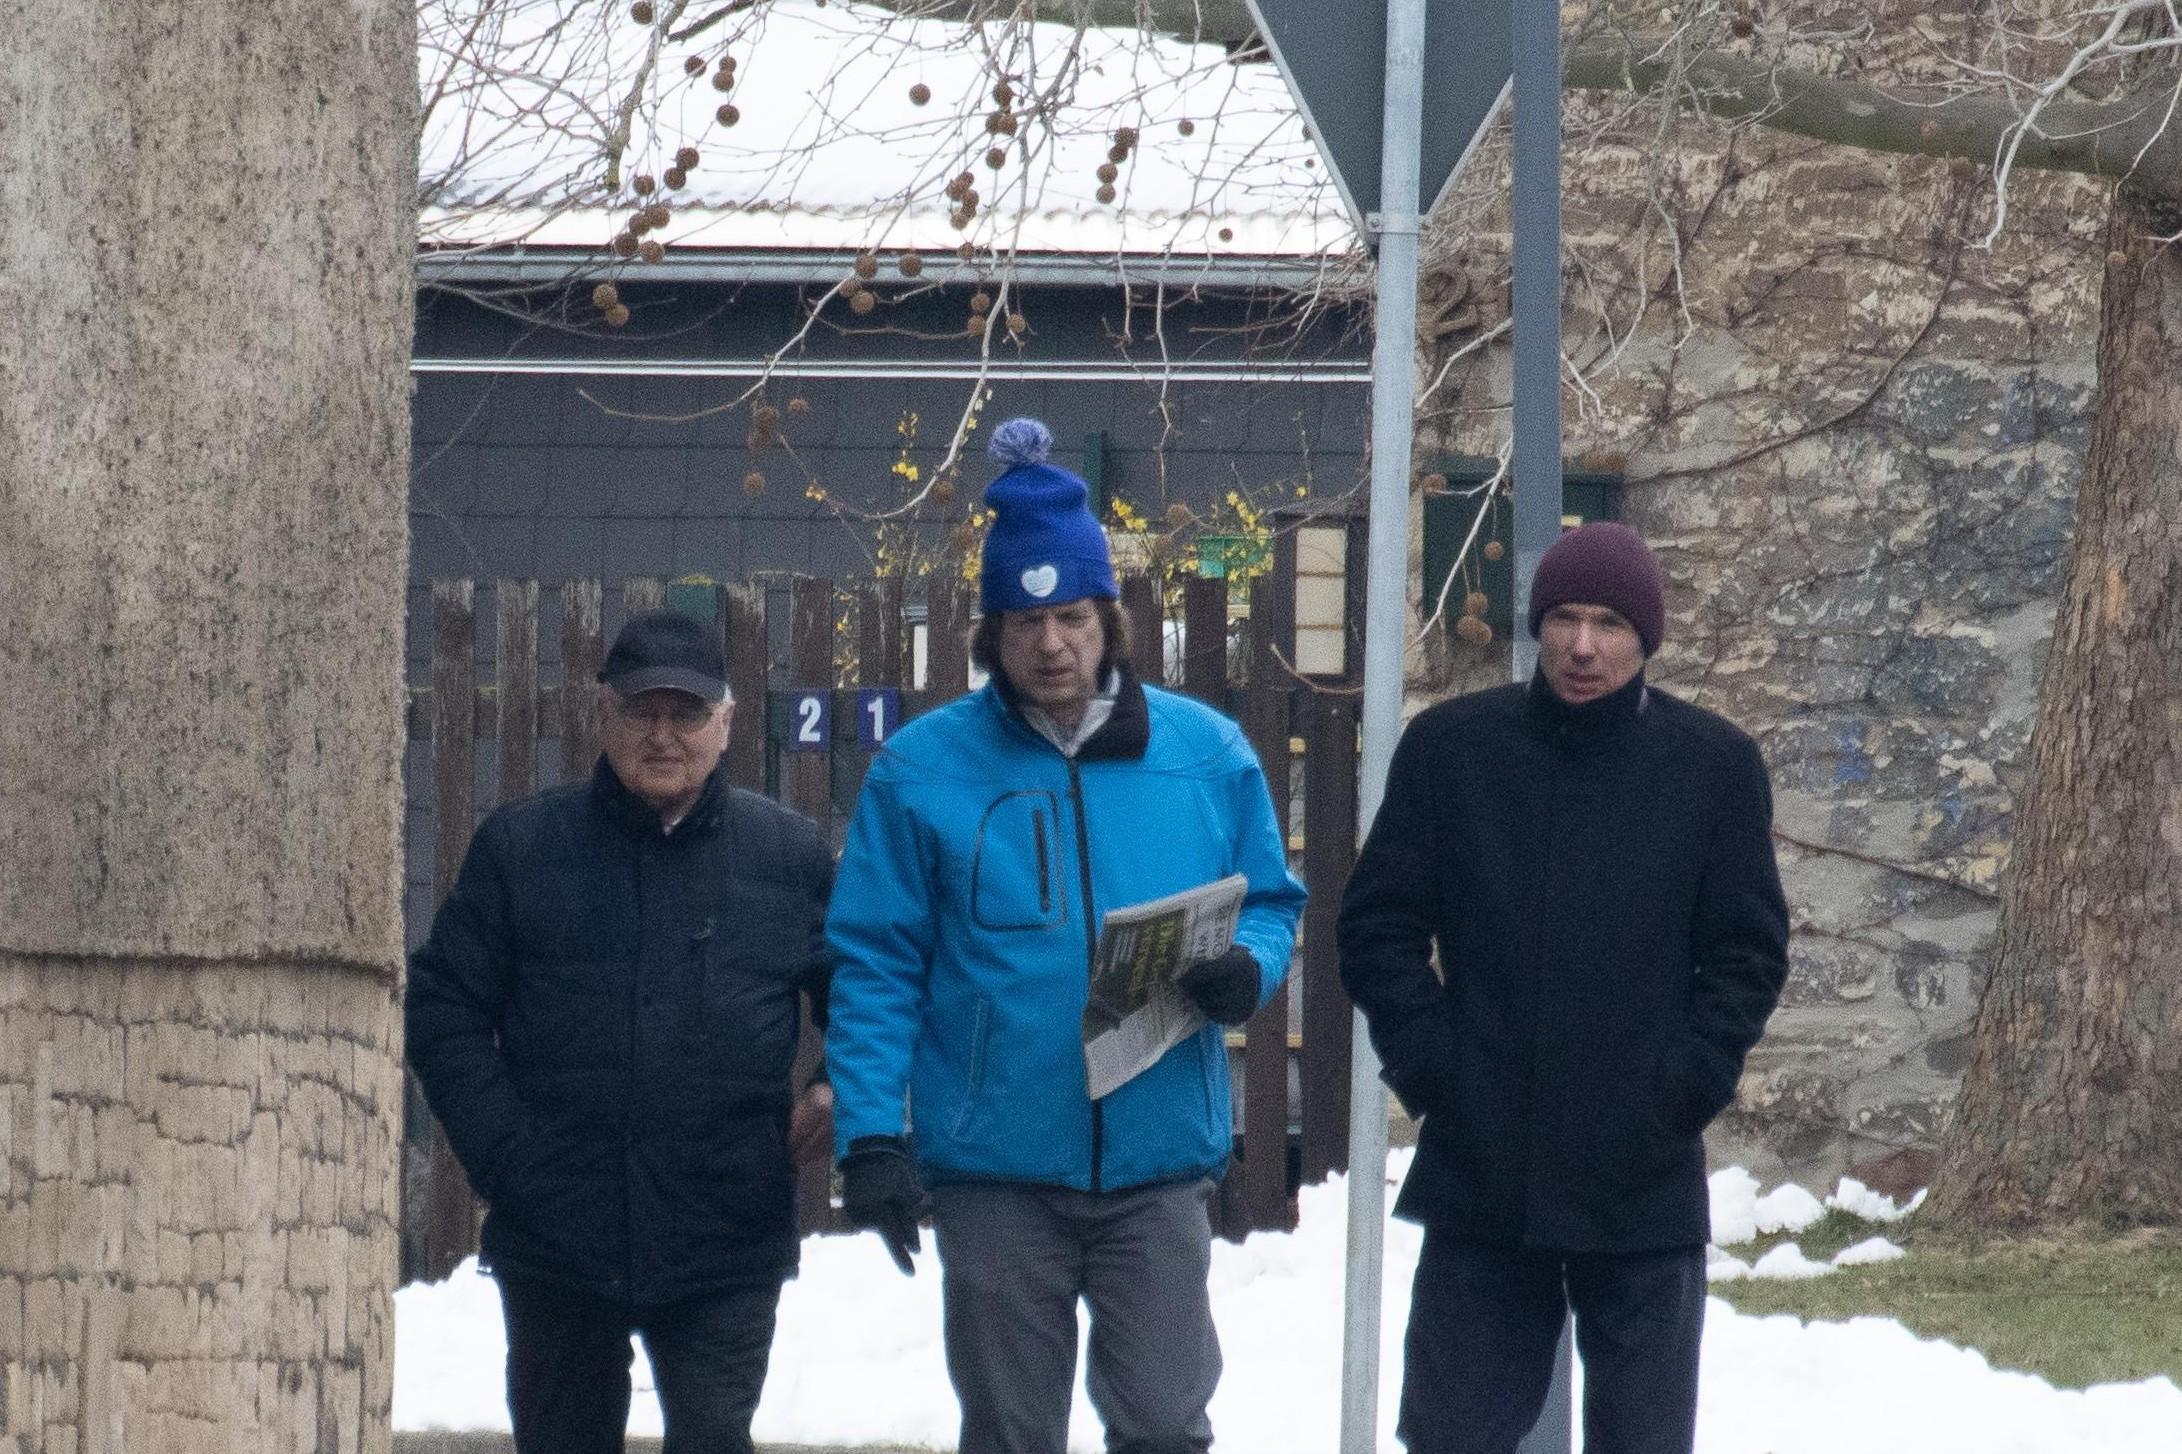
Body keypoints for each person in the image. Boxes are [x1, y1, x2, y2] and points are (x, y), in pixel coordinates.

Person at [824, 417, 1308, 1454]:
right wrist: (869, 1135)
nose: (1052, 643)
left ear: (1109, 620)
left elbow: (1272, 901)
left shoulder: (1206, 752)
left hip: (1157, 1161)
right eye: (1026, 620)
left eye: (1074, 617)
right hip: (996, 1165)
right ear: (991, 633)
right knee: (1009, 1432)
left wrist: (1249, 969)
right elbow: (875, 962)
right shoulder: (921, 770)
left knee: (1165, 1425)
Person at [1337, 522, 1789, 1454]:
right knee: (1452, 1433)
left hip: (1641, 1168)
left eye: (1610, 625)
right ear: (1537, 626)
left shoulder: (1713, 767)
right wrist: (1435, 1069)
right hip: (1483, 1160)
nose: (1584, 647)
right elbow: (1378, 927)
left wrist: (1682, 1087)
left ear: (1646, 639)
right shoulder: (1452, 751)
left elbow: (1746, 954)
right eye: (1565, 619)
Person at [405, 607, 835, 1454]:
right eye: (642, 711)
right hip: (558, 1233)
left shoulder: (787, 857)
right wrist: (506, 1155)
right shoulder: (522, 850)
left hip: (725, 1233)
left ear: (726, 722)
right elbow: (442, 1005)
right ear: (604, 715)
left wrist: (838, 1085)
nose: (663, 735)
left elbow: (863, 994)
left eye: (687, 713)